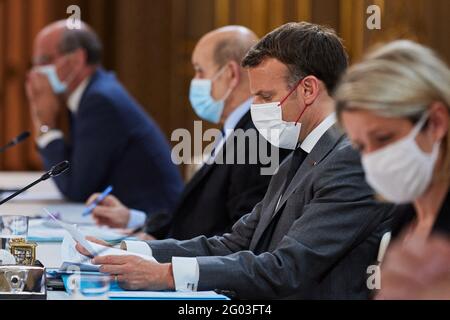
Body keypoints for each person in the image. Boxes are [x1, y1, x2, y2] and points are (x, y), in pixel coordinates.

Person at [77, 22, 396, 299]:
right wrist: (128, 251)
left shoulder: (350, 161)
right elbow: (234, 243)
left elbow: (286, 269)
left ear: (309, 89)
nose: (255, 107)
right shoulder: (299, 155)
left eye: (266, 97)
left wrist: (166, 275)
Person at [86, 26, 290, 240]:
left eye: (200, 71)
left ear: (230, 74)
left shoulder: (258, 139)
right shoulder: (236, 128)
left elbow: (240, 239)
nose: (195, 80)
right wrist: (133, 219)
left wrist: (159, 251)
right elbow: (201, 218)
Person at [25, 21, 183, 233]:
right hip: (130, 219)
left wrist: (46, 123)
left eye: (44, 60)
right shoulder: (93, 92)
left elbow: (76, 188)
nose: (36, 72)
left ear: (77, 60)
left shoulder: (100, 100)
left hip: (157, 225)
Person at [334, 40, 450, 299]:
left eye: (384, 138)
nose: (373, 158)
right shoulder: (404, 215)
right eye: (361, 146)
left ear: (435, 123)